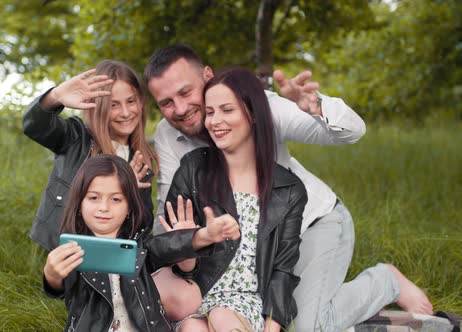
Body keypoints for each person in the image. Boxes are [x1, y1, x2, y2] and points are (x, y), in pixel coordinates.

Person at [144, 45, 433, 331]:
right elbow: (171, 213)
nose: (180, 109)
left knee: (308, 325)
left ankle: (384, 282)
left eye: (185, 92)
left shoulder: (262, 107)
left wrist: (316, 106)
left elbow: (351, 134)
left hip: (311, 223)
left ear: (208, 75)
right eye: (166, 102)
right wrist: (181, 249)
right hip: (244, 246)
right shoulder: (169, 135)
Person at [162, 67, 307, 331]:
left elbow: (282, 272)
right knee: (192, 329)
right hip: (195, 297)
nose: (215, 121)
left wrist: (271, 328)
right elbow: (171, 262)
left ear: (252, 113)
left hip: (247, 303)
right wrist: (186, 247)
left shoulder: (289, 189)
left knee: (222, 317)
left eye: (227, 110)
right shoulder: (193, 170)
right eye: (210, 112)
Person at [42, 154, 241, 331]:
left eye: (116, 200)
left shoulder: (137, 248)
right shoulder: (75, 249)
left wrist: (205, 235)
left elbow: (168, 245)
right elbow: (60, 288)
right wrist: (52, 275)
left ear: (129, 206)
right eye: (93, 198)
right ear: (79, 203)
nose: (104, 207)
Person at [23, 60, 158, 251]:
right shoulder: (76, 138)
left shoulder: (140, 159)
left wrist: (130, 194)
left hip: (106, 257)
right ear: (99, 106)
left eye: (131, 101)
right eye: (114, 105)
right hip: (64, 249)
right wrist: (55, 96)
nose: (126, 112)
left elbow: (143, 228)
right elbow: (34, 126)